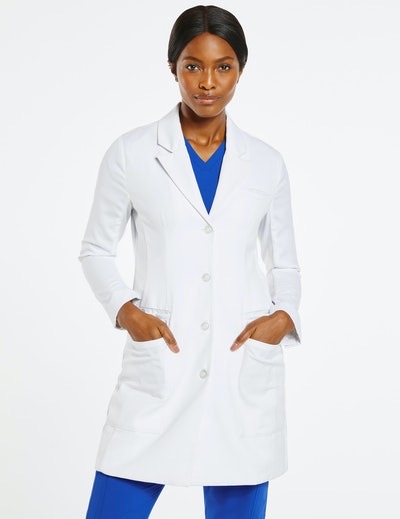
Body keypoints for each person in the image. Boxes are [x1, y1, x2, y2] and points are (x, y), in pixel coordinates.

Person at [79, 5, 302, 518]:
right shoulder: (132, 153)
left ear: (240, 70)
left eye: (223, 67)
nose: (207, 82)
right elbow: (95, 249)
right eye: (192, 66)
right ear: (172, 68)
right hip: (163, 361)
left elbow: (285, 264)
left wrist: (282, 317)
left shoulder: (265, 162)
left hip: (239, 365)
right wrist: (126, 312)